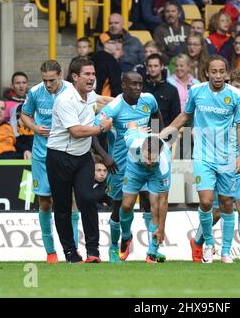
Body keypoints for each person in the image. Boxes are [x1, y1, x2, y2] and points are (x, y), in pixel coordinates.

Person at [160, 55, 240, 264]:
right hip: (202, 155)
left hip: (227, 157)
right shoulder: (197, 92)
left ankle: (226, 251)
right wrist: (163, 134)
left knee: (227, 203)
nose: (218, 75)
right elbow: (185, 116)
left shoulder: (235, 95)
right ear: (207, 73)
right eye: (213, 71)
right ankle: (209, 244)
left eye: (221, 71)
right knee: (207, 202)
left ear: (226, 73)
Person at [190, 67, 240, 263]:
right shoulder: (213, 101)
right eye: (236, 85)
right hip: (215, 160)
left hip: (236, 161)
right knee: (217, 210)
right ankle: (197, 241)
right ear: (229, 82)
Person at [46, 58, 113, 263]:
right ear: (75, 77)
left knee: (87, 198)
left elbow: (104, 100)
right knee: (63, 206)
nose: (92, 78)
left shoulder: (90, 95)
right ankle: (70, 252)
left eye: (93, 74)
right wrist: (101, 128)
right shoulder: (65, 99)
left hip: (83, 158)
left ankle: (93, 252)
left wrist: (132, 101)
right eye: (87, 74)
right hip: (59, 157)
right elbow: (76, 132)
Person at [93, 71, 163, 263]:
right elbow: (93, 133)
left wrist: (156, 142)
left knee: (150, 201)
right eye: (133, 84)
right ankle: (119, 242)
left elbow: (157, 116)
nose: (138, 88)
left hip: (145, 161)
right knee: (120, 206)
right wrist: (105, 157)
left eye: (140, 84)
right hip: (120, 163)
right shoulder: (114, 107)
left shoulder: (148, 100)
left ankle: (152, 248)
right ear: (123, 85)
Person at [21, 60, 81, 264]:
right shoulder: (35, 92)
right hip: (41, 154)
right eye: (45, 80)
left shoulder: (72, 91)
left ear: (61, 75)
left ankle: (73, 251)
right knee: (45, 201)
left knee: (70, 201)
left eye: (52, 80)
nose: (48, 84)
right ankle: (50, 252)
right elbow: (25, 115)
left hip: (66, 152)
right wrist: (35, 128)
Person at [119, 122, 172, 263]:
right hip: (135, 170)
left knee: (155, 208)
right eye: (147, 157)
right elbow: (131, 124)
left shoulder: (163, 165)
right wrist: (136, 128)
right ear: (142, 149)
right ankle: (125, 236)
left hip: (155, 175)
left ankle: (152, 252)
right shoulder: (133, 143)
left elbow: (163, 201)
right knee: (126, 205)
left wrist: (161, 228)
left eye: (153, 158)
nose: (149, 162)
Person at [143, 54, 181, 127]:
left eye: (156, 66)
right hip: (143, 131)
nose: (153, 69)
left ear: (162, 66)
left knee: (187, 134)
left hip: (164, 131)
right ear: (146, 67)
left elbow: (175, 116)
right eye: (150, 66)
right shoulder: (140, 88)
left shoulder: (171, 90)